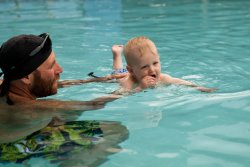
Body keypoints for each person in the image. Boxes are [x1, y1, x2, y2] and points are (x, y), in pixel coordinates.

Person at [0, 33, 120, 110]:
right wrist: (131, 86)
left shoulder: (6, 82)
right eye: (51, 66)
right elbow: (93, 105)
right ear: (26, 77)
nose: (60, 69)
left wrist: (94, 80)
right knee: (114, 130)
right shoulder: (31, 108)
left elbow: (45, 82)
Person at [109, 36, 216, 94]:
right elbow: (120, 95)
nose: (152, 70)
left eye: (155, 63)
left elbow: (179, 81)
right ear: (132, 70)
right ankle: (117, 55)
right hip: (123, 76)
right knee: (118, 72)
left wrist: (198, 87)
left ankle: (118, 54)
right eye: (145, 67)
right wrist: (140, 88)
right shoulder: (129, 82)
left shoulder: (162, 78)